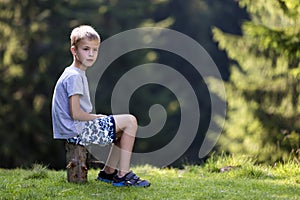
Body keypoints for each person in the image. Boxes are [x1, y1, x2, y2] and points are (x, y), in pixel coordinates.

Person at [51, 25, 150, 187]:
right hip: (76, 130)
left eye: (95, 50)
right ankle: (123, 175)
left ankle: (108, 173)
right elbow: (75, 113)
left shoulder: (74, 73)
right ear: (74, 51)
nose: (91, 54)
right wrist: (96, 117)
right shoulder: (74, 76)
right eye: (85, 49)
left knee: (122, 129)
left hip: (73, 128)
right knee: (130, 121)